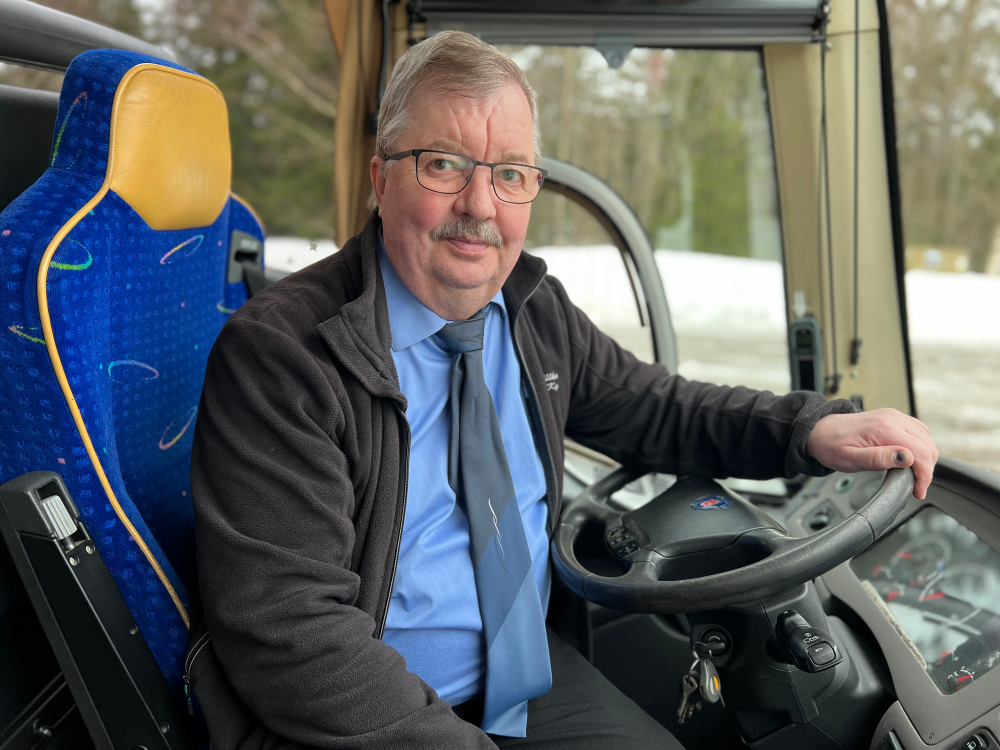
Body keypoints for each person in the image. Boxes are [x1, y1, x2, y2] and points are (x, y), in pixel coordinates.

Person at [189, 30, 939, 750]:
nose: (480, 205)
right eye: (444, 164)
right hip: (356, 713)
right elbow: (293, 633)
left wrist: (809, 430)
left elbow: (657, 407)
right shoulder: (283, 356)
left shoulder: (532, 310)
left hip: (522, 682)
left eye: (510, 174)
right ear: (381, 178)